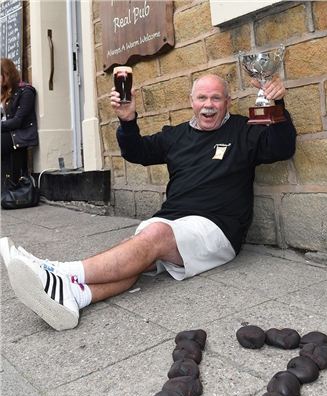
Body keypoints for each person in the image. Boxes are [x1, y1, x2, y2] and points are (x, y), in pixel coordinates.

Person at [1, 73, 296, 331]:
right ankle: (75, 298)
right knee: (134, 255)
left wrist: (278, 105)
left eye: (216, 98)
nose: (209, 105)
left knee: (152, 237)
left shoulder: (243, 130)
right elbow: (137, 152)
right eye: (202, 97)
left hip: (218, 228)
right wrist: (128, 120)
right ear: (191, 101)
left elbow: (282, 147)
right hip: (172, 221)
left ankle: (58, 272)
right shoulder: (176, 135)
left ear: (228, 102)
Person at [1, 58, 38, 192]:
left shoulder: (26, 92)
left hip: (20, 135)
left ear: (7, 74)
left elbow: (17, 121)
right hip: (8, 134)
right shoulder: (4, 93)